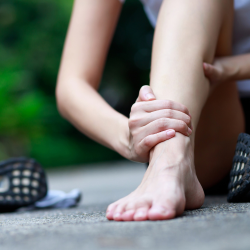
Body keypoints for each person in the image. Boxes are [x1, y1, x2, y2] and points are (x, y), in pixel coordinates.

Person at [56, 0, 249, 221]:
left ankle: (169, 162)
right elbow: (72, 84)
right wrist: (129, 136)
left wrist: (229, 68)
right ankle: (170, 159)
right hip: (206, 130)